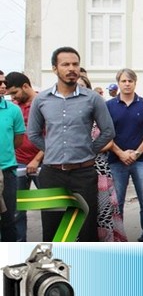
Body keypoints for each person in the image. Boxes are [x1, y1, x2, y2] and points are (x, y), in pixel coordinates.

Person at [28, 46, 115, 242]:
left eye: (75, 64)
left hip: (83, 174)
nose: (71, 68)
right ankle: (53, 271)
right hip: (52, 173)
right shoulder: (41, 99)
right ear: (54, 68)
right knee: (52, 230)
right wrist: (53, 150)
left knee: (85, 230)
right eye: (65, 64)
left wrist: (88, 150)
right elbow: (32, 133)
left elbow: (109, 131)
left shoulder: (92, 98)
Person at [106, 68, 143, 242]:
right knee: (117, 203)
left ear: (135, 82)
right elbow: (106, 133)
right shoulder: (109, 106)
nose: (127, 84)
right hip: (116, 160)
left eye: (130, 81)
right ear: (118, 83)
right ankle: (118, 237)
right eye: (123, 81)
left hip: (141, 160)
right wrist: (120, 153)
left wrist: (136, 153)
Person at [76, 75, 127, 242]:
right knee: (79, 214)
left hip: (100, 170)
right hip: (75, 171)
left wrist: (87, 149)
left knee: (103, 213)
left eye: (82, 86)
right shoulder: (66, 116)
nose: (77, 89)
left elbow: (109, 140)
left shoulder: (97, 111)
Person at [4, 72, 43, 242]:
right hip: (18, 163)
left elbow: (52, 136)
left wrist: (36, 159)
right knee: (17, 209)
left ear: (26, 86)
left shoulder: (43, 103)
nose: (12, 97)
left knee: (50, 207)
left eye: (14, 93)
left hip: (44, 163)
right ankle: (20, 246)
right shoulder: (14, 107)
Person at [0, 86, 24, 242]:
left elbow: (18, 140)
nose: (3, 86)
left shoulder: (13, 110)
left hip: (7, 171)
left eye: (4, 82)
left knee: (8, 220)